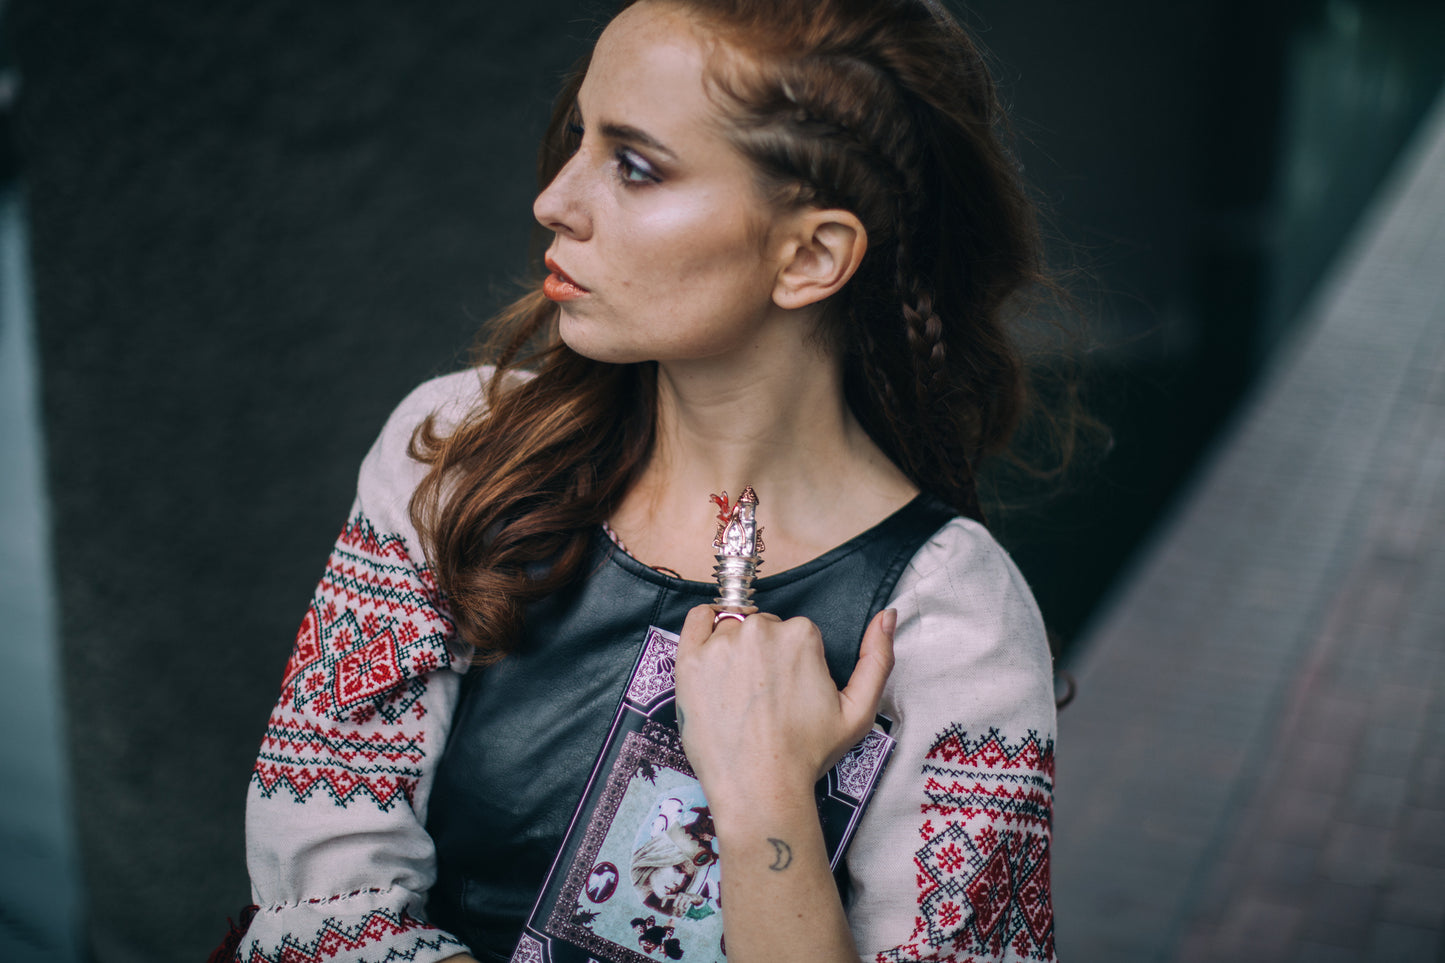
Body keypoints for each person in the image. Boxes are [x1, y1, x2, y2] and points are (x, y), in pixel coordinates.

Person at [237, 1, 1064, 961]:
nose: (554, 198)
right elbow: (314, 905)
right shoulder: (458, 455)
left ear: (809, 255)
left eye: (633, 165)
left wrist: (762, 800)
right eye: (578, 136)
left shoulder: (950, 623)